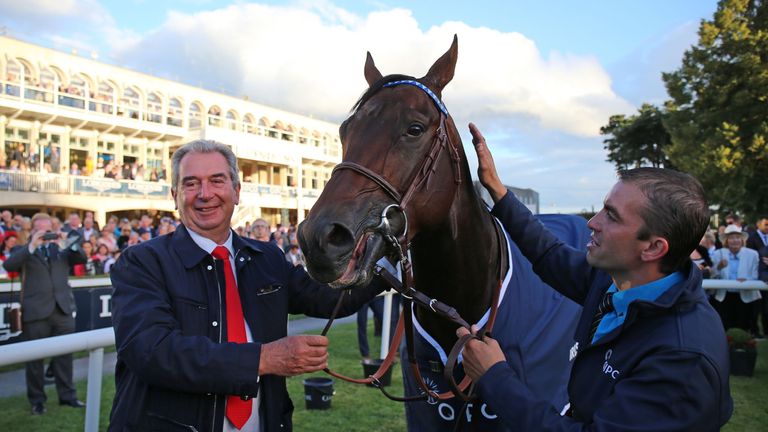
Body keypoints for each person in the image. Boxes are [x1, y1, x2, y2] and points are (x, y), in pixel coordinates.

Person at [457, 123, 732, 430]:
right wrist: (498, 190)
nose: (592, 222)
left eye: (612, 216)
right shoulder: (616, 283)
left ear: (653, 248)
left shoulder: (682, 359)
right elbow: (549, 254)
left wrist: (494, 377)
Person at [108, 139, 384, 431]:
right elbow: (152, 351)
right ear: (175, 196)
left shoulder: (267, 258)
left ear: (237, 191)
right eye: (191, 183)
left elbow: (326, 297)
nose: (205, 194)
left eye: (217, 180)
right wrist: (263, 359)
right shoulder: (141, 262)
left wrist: (386, 267)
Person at [2, 213, 87, 415]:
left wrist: (67, 242)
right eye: (40, 230)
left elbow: (81, 258)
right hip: (35, 312)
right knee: (34, 360)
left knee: (65, 356)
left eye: (48, 230)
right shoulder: (23, 250)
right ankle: (37, 401)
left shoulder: (61, 249)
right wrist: (32, 244)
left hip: (62, 310)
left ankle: (68, 396)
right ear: (32, 230)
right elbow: (9, 265)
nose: (45, 234)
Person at [710, 224, 760, 333]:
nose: (735, 240)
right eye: (731, 238)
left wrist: (746, 281)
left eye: (737, 237)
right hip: (724, 296)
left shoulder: (753, 254)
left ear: (742, 240)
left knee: (743, 328)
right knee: (724, 327)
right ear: (726, 241)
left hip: (746, 296)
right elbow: (712, 275)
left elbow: (755, 275)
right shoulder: (718, 254)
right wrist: (719, 267)